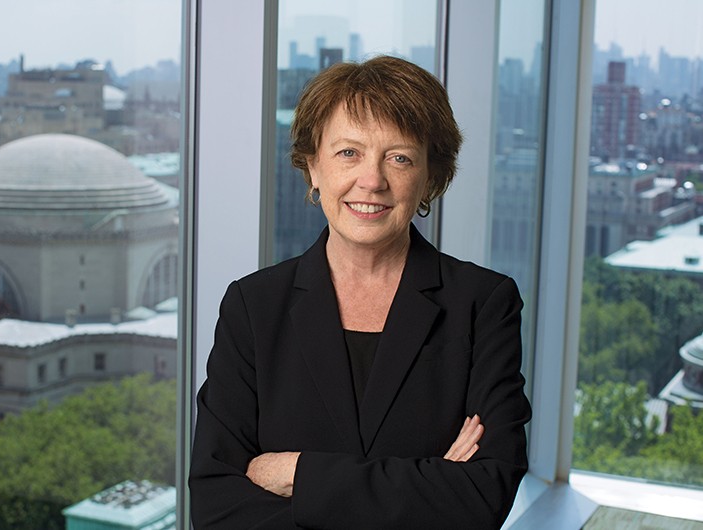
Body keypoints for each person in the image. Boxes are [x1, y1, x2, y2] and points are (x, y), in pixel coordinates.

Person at [189, 55, 532, 529]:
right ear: (312, 167)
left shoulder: (483, 304)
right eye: (348, 152)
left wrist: (299, 474)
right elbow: (216, 504)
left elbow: (482, 496)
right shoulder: (253, 306)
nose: (371, 180)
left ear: (431, 176)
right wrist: (426, 485)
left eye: (400, 157)